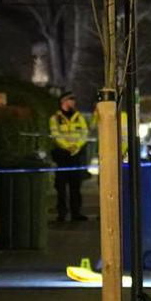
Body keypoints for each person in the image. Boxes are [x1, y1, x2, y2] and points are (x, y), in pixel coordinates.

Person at [49, 92, 90, 222]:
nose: (73, 102)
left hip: (75, 156)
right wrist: (68, 147)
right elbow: (56, 135)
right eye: (71, 100)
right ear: (64, 101)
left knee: (75, 186)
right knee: (61, 187)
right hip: (62, 156)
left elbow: (84, 134)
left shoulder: (79, 118)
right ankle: (62, 214)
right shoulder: (55, 118)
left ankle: (76, 213)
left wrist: (76, 147)